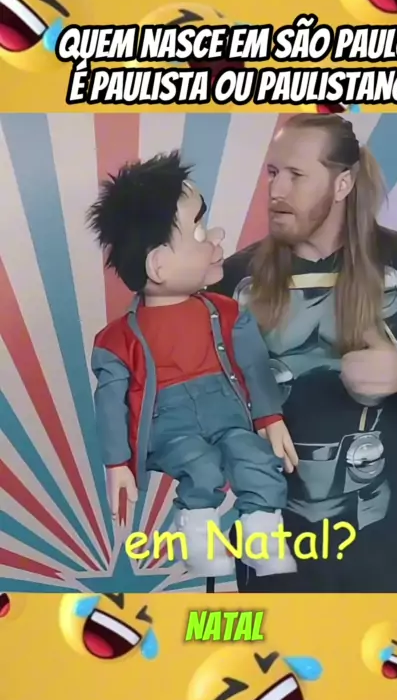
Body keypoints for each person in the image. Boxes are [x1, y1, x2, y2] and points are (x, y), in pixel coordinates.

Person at [212, 113, 397, 593]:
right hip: (273, 559)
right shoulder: (234, 279)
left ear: (343, 183)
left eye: (296, 175)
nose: (276, 190)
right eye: (273, 172)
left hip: (386, 558)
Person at [87, 151, 299, 579]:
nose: (216, 236)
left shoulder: (227, 312)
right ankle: (198, 540)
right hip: (171, 425)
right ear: (158, 265)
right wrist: (117, 463)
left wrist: (269, 416)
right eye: (200, 230)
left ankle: (262, 539)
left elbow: (255, 365)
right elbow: (110, 406)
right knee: (200, 466)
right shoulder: (116, 342)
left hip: (227, 414)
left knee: (257, 459)